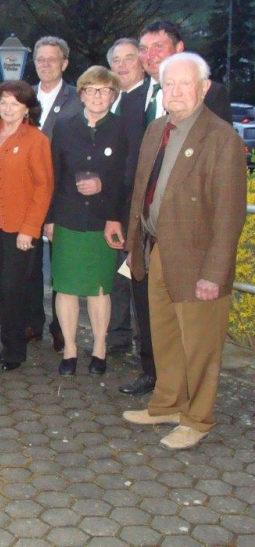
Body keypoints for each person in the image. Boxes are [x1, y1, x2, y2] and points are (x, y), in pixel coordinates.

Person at [119, 52, 246, 450]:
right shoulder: (157, 128)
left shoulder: (221, 138)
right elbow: (141, 191)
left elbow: (229, 214)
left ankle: (197, 419)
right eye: (168, 84)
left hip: (198, 260)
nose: (174, 91)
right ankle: (168, 404)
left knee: (201, 347)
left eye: (184, 83)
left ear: (203, 88)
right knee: (166, 336)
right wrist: (134, 243)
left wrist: (214, 273)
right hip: (157, 249)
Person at [43, 66, 128, 376]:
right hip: (67, 218)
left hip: (103, 220)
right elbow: (54, 175)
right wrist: (50, 219)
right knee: (65, 287)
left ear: (114, 96)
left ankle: (100, 348)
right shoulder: (65, 126)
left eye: (105, 91)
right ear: (81, 94)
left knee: (99, 288)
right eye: (91, 90)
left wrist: (104, 187)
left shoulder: (122, 128)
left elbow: (128, 176)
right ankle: (70, 349)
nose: (97, 96)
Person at [0, 81, 53, 371]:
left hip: (19, 229)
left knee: (13, 289)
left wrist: (30, 229)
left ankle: (15, 350)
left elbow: (43, 188)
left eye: (15, 103)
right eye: (3, 102)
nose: (8, 108)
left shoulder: (37, 140)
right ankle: (8, 345)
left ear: (27, 109)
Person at [26, 36, 82, 353]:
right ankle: (32, 322)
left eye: (52, 58)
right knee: (29, 264)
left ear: (64, 63)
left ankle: (60, 327)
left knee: (61, 265)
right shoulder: (23, 96)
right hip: (28, 195)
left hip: (62, 195)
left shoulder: (78, 99)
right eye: (41, 59)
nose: (46, 64)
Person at [103, 38, 147, 354]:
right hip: (112, 203)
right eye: (116, 60)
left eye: (129, 57)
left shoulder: (149, 101)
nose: (121, 65)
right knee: (115, 274)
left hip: (139, 204)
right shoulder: (109, 100)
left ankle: (146, 344)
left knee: (138, 275)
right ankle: (118, 336)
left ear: (141, 61)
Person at [108, 38, 146, 114]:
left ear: (143, 66)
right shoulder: (103, 100)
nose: (121, 64)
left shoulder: (150, 99)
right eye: (116, 60)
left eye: (129, 59)